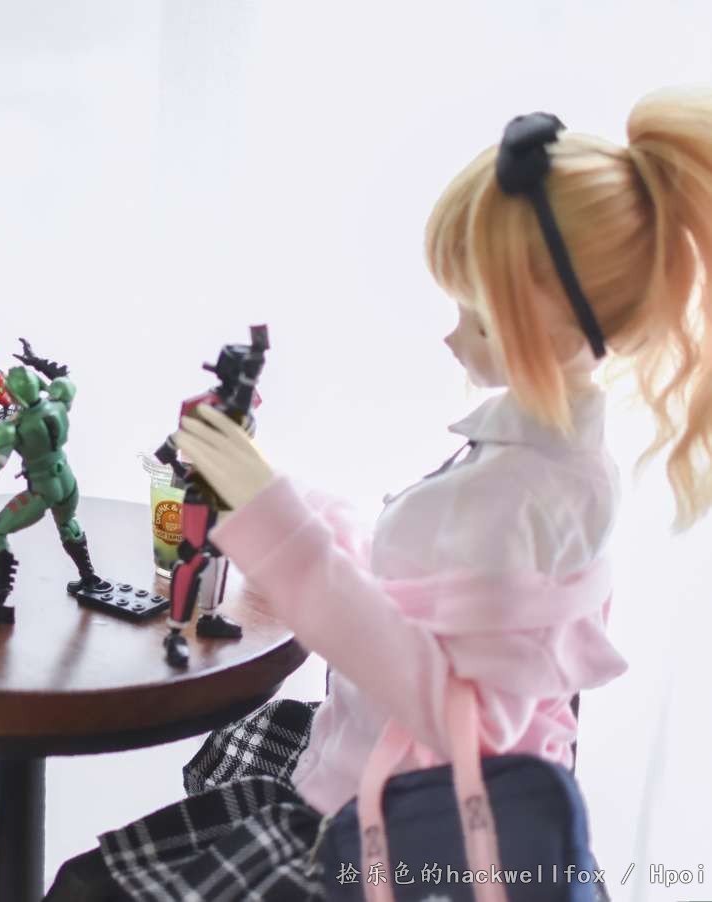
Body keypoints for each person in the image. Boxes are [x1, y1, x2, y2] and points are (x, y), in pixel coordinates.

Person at [47, 86, 712, 900]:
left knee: (89, 888)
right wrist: (276, 501)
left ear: (564, 333)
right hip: (366, 780)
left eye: (478, 318)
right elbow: (423, 588)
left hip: (384, 842)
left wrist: (275, 524)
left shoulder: (521, 494)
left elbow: (466, 718)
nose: (452, 335)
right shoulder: (546, 463)